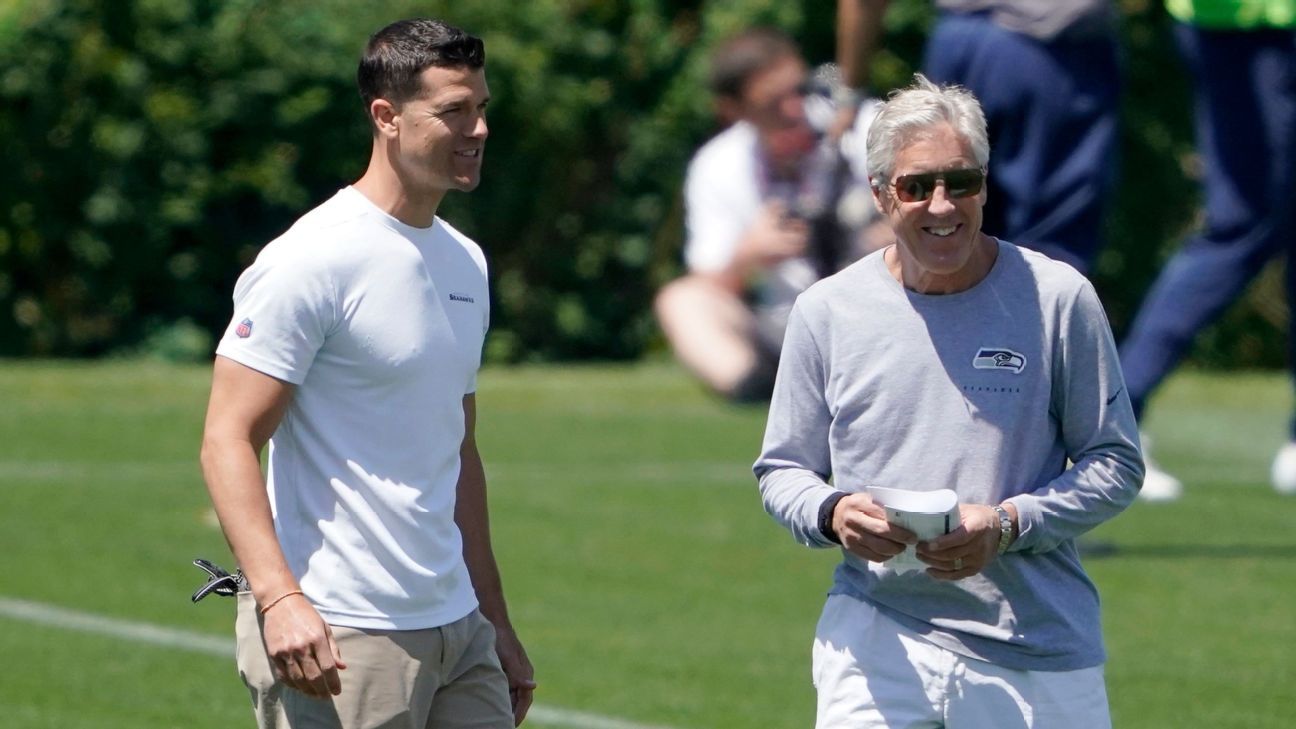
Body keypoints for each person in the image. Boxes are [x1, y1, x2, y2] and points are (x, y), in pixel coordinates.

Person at [754, 75, 1143, 728]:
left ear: (984, 186)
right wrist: (832, 512)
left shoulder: (1057, 298)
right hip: (875, 629)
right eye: (917, 186)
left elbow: (1115, 461)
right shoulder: (827, 311)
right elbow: (782, 467)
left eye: (960, 182)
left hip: (1031, 642)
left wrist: (1009, 523)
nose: (942, 205)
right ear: (880, 193)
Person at [199, 18, 535, 728]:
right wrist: (280, 598)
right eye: (453, 111)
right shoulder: (312, 258)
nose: (478, 129)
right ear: (386, 116)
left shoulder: (465, 262)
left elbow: (458, 452)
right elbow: (227, 438)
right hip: (340, 631)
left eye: (481, 107)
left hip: (458, 629)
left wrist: (494, 618)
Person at [1119, 0, 1296, 501]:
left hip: (1246, 28)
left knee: (1248, 224)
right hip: (1251, 28)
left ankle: (1115, 417)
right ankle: (1114, 419)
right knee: (1241, 227)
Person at [654, 27, 886, 402]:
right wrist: (750, 255)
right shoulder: (719, 164)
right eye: (772, 103)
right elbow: (708, 281)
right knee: (680, 299)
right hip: (782, 326)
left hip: (876, 314)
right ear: (733, 110)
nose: (794, 110)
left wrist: (894, 230)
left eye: (799, 91)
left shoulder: (863, 126)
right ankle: (755, 390)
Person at [836, 0, 1121, 274]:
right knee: (1048, 258)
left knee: (929, 226)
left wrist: (850, 93)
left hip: (958, 40)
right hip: (1052, 52)